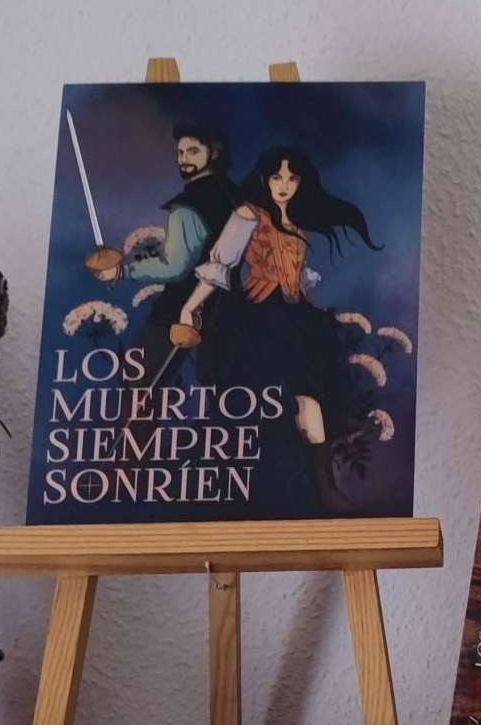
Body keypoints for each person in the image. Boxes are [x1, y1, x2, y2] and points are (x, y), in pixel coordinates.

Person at [177, 146, 381, 509]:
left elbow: (296, 281)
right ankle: (262, 488)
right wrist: (190, 308)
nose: (284, 185)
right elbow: (221, 265)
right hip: (260, 322)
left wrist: (315, 314)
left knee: (311, 398)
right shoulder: (248, 215)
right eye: (276, 177)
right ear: (264, 179)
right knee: (267, 403)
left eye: (291, 177)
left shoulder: (296, 226)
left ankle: (324, 486)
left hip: (297, 320)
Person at [88, 121, 238, 385]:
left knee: (137, 384)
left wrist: (122, 270)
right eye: (180, 152)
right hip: (227, 313)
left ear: (214, 153)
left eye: (193, 151)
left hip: (179, 313)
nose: (183, 159)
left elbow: (175, 266)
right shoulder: (234, 197)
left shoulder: (189, 206)